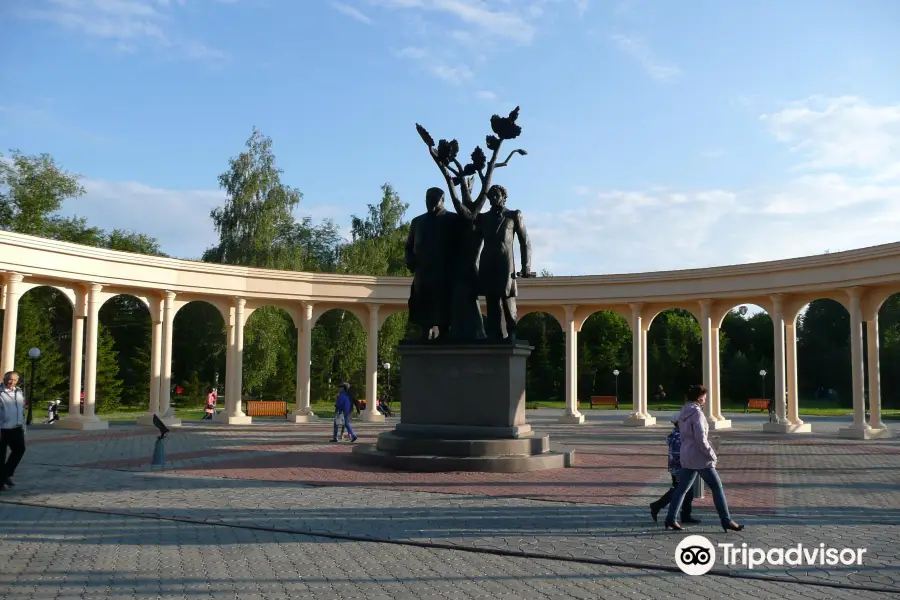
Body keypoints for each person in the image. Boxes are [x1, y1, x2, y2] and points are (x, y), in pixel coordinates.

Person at [664, 384, 744, 532]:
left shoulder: (683, 412)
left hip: (686, 453)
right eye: (705, 397)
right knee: (717, 487)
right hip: (699, 456)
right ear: (700, 397)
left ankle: (671, 518)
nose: (706, 399)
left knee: (682, 488)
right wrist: (711, 454)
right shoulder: (697, 414)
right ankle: (726, 520)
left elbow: (683, 433)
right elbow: (701, 438)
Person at [474, 185, 533, 340]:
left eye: (496, 195)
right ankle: (494, 334)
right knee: (491, 300)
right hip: (487, 263)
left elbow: (525, 242)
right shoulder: (483, 218)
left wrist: (526, 266)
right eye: (490, 196)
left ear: (504, 197)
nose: (493, 198)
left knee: (507, 298)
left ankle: (512, 331)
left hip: (506, 264)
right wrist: (472, 265)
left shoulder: (514, 215)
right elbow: (475, 244)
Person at [649, 421, 698, 524]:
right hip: (680, 468)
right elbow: (681, 454)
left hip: (678, 467)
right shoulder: (679, 437)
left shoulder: (676, 434)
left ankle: (685, 514)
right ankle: (657, 505)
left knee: (686, 491)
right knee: (679, 491)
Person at [0, 371, 27, 492]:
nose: (12, 382)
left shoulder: (18, 391)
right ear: (4, 379)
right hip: (2, 429)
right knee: (1, 456)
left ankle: (5, 474)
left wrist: (23, 426)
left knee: (20, 450)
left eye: (15, 380)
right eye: (10, 379)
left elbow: (21, 410)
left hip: (16, 427)